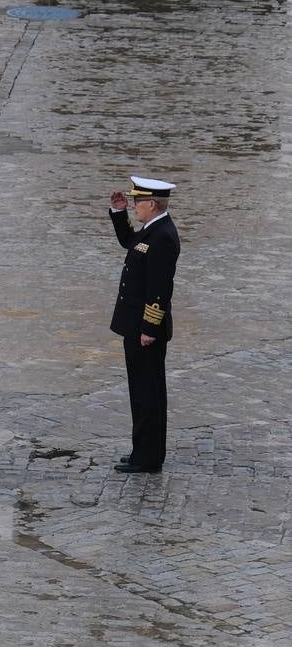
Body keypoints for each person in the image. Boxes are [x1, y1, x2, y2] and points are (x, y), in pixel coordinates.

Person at [109, 176, 180, 474]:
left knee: (147, 393)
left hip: (144, 330)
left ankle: (148, 458)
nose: (135, 206)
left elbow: (159, 288)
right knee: (141, 390)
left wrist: (149, 329)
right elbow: (130, 242)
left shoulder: (163, 236)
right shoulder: (152, 230)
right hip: (135, 326)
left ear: (152, 204)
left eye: (137, 202)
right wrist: (119, 213)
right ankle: (143, 450)